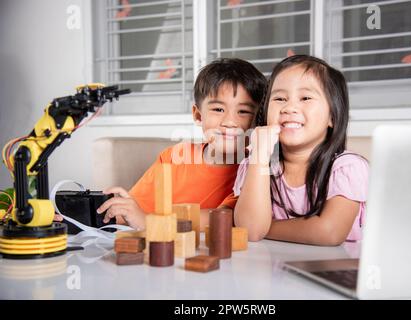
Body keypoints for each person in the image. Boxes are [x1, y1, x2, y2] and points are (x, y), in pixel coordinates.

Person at [96, 58, 267, 231]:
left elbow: (227, 219)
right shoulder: (173, 157)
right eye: (218, 109)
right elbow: (132, 213)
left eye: (243, 112)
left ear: (257, 121)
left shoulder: (253, 171)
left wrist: (149, 222)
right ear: (198, 115)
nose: (230, 122)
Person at [233, 55, 369, 246]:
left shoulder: (347, 168)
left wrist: (265, 227)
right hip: (273, 269)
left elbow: (329, 232)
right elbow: (251, 231)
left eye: (305, 98)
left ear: (333, 117)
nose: (289, 107)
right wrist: (259, 157)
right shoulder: (254, 165)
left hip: (335, 270)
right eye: (280, 98)